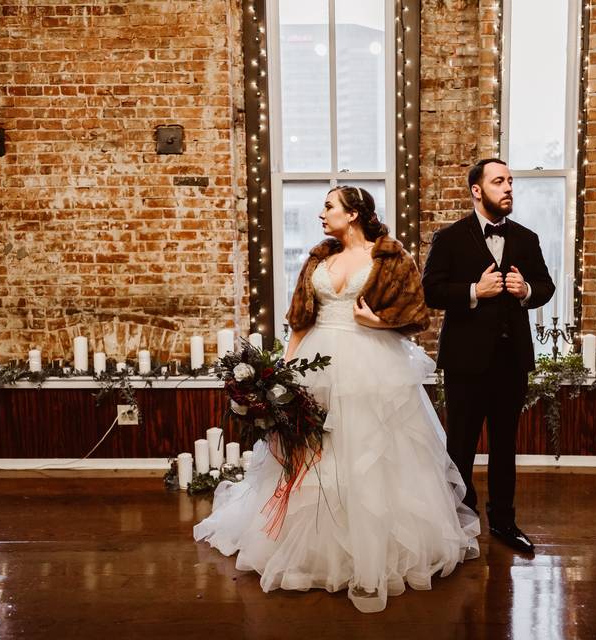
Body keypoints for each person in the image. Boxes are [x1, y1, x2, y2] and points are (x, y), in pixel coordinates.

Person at [194, 186, 479, 614]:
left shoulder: (391, 257)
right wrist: (282, 373)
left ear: (354, 213)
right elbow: (298, 321)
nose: (321, 214)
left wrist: (377, 321)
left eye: (329, 206)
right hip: (316, 364)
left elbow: (415, 316)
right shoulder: (317, 258)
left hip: (372, 364)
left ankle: (373, 549)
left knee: (372, 452)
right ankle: (311, 549)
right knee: (314, 452)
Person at [422, 158, 555, 554]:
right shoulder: (449, 239)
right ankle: (460, 523)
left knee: (504, 445)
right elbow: (431, 292)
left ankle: (504, 522)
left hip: (511, 361)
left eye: (511, 181)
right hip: (465, 363)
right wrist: (474, 291)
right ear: (477, 190)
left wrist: (526, 289)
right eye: (499, 181)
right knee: (460, 445)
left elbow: (545, 287)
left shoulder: (527, 239)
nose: (509, 187)